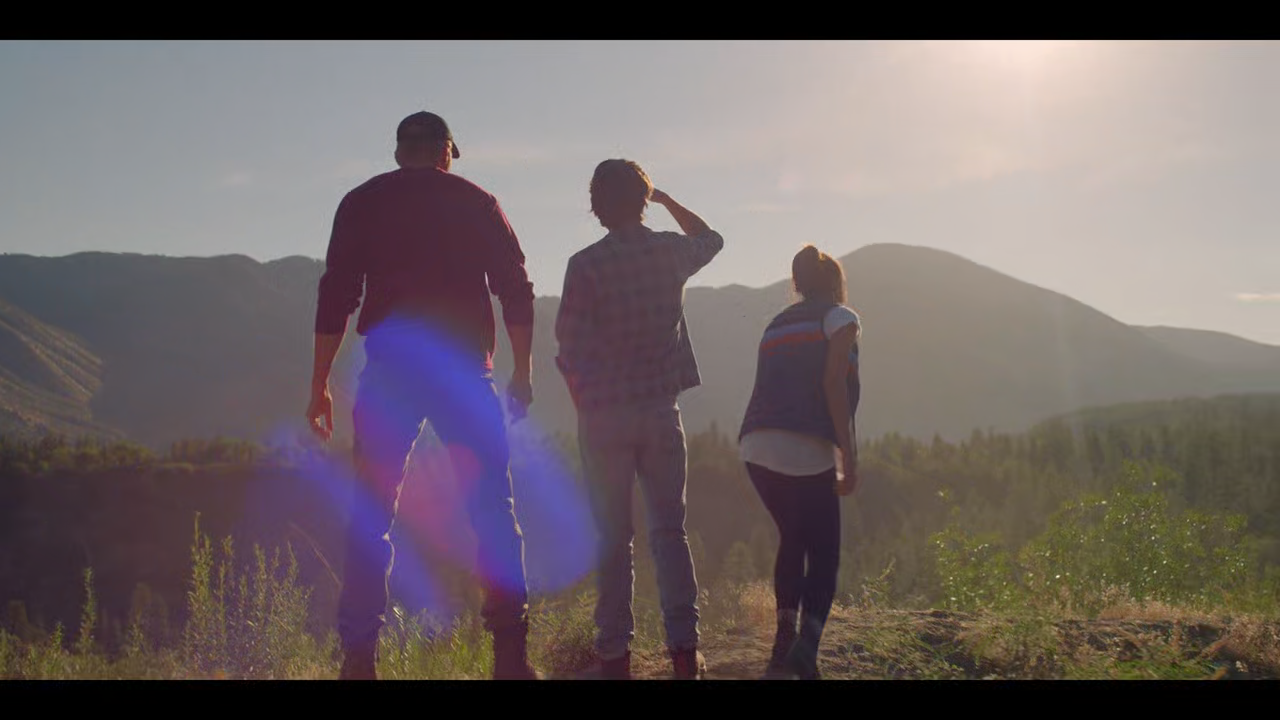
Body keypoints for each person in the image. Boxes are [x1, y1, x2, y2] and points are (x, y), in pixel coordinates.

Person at [306, 110, 541, 681]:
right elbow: (515, 288)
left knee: (372, 515)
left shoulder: (361, 203)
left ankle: (359, 660)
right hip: (464, 372)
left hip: (390, 374)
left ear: (398, 153)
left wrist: (319, 384)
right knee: (492, 510)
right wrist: (523, 370)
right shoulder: (477, 202)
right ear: (446, 152)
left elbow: (336, 295)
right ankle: (510, 659)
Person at [554, 159, 724, 680]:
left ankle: (614, 660)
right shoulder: (671, 252)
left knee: (613, 538)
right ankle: (684, 653)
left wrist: (586, 405)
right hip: (659, 410)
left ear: (597, 207)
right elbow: (712, 238)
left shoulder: (584, 265)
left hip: (604, 414)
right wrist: (668, 203)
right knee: (669, 532)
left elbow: (569, 347)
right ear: (643, 200)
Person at [736, 244, 862, 680]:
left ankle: (783, 641)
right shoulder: (842, 318)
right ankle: (805, 652)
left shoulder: (776, 324)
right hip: (804, 444)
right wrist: (848, 454)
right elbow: (833, 384)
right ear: (835, 283)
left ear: (798, 283)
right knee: (824, 552)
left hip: (756, 445)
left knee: (793, 536)